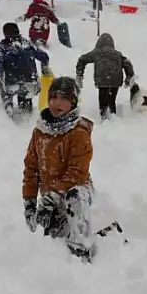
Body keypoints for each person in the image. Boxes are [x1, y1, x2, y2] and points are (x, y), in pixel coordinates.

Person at [22, 77, 97, 262]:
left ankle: (82, 248)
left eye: (63, 98)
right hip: (49, 199)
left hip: (78, 191)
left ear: (72, 103)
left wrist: (50, 199)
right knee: (50, 241)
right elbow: (31, 168)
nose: (57, 102)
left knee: (75, 196)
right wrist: (30, 201)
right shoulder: (40, 132)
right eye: (53, 97)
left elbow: (77, 174)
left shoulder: (79, 133)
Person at [0, 22, 50, 117]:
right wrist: (45, 67)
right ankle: (26, 113)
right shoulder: (28, 44)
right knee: (26, 96)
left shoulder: (2, 47)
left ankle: (8, 105)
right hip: (30, 81)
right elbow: (44, 56)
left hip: (11, 82)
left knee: (2, 76)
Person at [75, 32, 135, 120]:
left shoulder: (96, 52)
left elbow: (82, 59)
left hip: (102, 79)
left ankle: (104, 116)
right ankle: (112, 114)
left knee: (103, 99)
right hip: (116, 79)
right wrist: (129, 77)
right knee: (112, 99)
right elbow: (127, 64)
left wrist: (79, 74)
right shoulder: (118, 54)